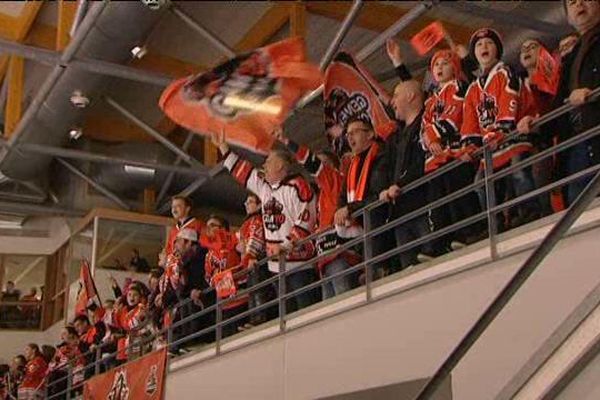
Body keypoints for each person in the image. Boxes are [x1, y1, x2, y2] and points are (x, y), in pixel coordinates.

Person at [213, 130, 319, 313]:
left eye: (268, 162)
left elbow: (305, 220)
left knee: (307, 316)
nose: (264, 165)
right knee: (286, 321)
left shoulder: (298, 186)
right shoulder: (265, 188)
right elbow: (243, 172)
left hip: (300, 267)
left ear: (280, 166)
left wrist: (286, 246)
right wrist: (224, 148)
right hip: (276, 269)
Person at [461, 28, 536, 232]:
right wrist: (469, 145)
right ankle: (496, 223)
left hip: (513, 136)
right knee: (480, 183)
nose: (484, 47)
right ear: (474, 54)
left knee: (518, 172)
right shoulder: (473, 89)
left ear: (498, 49)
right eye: (479, 44)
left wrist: (501, 128)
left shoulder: (506, 72)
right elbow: (470, 122)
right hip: (491, 147)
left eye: (489, 43)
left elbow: (509, 101)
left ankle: (531, 212)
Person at [278, 129, 360, 299]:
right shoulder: (318, 196)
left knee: (344, 308)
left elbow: (311, 162)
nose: (318, 170)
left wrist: (288, 141)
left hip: (339, 257)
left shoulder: (336, 181)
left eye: (323, 164)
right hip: (324, 262)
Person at [419, 49, 482, 250]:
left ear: (454, 68)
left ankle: (470, 232)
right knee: (438, 201)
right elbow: (422, 129)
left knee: (459, 194)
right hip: (434, 160)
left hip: (455, 154)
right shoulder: (430, 100)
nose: (439, 68)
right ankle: (441, 242)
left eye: (445, 63)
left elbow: (453, 116)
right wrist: (429, 140)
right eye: (436, 64)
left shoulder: (459, 88)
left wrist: (433, 135)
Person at [546, 0, 599, 205]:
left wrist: (591, 92)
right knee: (579, 226)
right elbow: (559, 102)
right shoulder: (571, 56)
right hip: (576, 144)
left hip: (594, 134)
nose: (578, 4)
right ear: (568, 17)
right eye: (572, 2)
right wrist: (535, 124)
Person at [380, 80, 437, 270]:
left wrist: (402, 183)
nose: (392, 101)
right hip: (401, 211)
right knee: (409, 272)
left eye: (396, 95)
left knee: (434, 261)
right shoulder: (397, 137)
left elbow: (423, 160)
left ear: (411, 96)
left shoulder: (427, 123)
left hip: (423, 204)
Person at [334, 116, 391, 277]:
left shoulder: (380, 155)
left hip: (381, 229)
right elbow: (343, 196)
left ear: (370, 134)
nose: (350, 137)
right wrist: (341, 210)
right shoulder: (353, 165)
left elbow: (377, 195)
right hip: (364, 233)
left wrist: (350, 209)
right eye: (347, 134)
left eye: (355, 132)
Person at [517, 39, 558, 217]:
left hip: (549, 137)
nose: (527, 51)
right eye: (523, 49)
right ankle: (529, 213)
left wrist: (537, 119)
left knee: (540, 171)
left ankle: (546, 214)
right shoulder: (518, 85)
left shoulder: (553, 76)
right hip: (525, 140)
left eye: (532, 47)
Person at [237, 193, 271, 328]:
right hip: (250, 261)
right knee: (252, 290)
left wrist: (251, 256)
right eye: (246, 202)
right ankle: (254, 317)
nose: (246, 204)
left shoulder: (257, 219)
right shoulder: (247, 222)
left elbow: (256, 238)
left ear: (259, 205)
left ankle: (260, 317)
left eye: (250, 202)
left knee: (258, 289)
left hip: (257, 260)